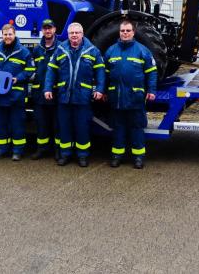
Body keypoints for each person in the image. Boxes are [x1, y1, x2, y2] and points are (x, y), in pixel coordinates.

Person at [43, 22, 106, 167]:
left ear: (82, 34)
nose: (74, 36)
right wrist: (47, 89)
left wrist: (100, 89)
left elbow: (101, 72)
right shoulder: (60, 49)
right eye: (72, 33)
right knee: (64, 127)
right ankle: (65, 154)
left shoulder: (92, 50)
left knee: (82, 128)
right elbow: (51, 71)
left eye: (77, 33)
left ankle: (82, 155)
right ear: (68, 35)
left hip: (83, 98)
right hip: (64, 96)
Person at [104, 20, 158, 169]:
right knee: (118, 128)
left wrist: (152, 91)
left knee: (137, 128)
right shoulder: (110, 51)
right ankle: (117, 156)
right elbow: (104, 74)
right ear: (119, 32)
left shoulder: (142, 51)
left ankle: (138, 157)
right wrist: (102, 91)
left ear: (133, 32)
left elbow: (152, 73)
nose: (125, 33)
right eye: (123, 31)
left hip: (136, 98)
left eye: (128, 30)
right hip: (117, 98)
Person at [0, 24, 35, 161]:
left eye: (10, 34)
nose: (7, 37)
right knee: (0, 125)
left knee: (17, 125)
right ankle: (1, 150)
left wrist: (18, 78)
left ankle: (17, 151)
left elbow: (30, 69)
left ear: (14, 34)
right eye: (5, 34)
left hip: (16, 95)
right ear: (1, 35)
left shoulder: (24, 52)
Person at [30, 19, 60, 160]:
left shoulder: (61, 48)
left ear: (54, 29)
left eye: (50, 28)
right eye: (45, 28)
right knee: (41, 124)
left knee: (57, 124)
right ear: (42, 30)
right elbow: (32, 70)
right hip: (39, 94)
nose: (47, 31)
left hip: (55, 94)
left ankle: (57, 151)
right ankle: (42, 149)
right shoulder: (37, 49)